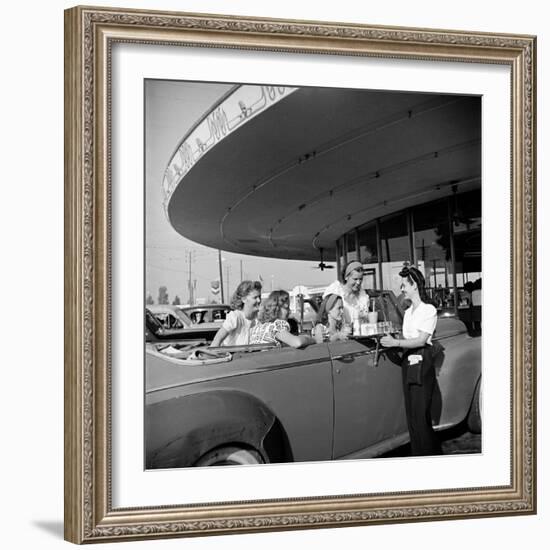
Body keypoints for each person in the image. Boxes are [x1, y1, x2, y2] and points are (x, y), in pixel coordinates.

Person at [380, 265, 442, 456]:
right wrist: (391, 337)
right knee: (412, 416)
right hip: (408, 363)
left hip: (422, 363)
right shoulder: (408, 312)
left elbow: (422, 340)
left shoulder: (428, 310)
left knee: (421, 416)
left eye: (404, 285)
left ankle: (429, 457)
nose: (402, 289)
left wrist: (395, 342)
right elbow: (407, 338)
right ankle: (419, 455)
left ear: (414, 285)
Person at [250, 290, 315, 348]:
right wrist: (312, 339)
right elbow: (297, 343)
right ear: (276, 308)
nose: (289, 311)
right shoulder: (278, 324)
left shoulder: (258, 326)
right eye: (286, 308)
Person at [210, 280, 262, 347]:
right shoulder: (235, 317)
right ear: (244, 299)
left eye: (259, 297)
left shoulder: (259, 320)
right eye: (255, 297)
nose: (259, 300)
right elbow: (218, 339)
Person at [323, 260, 370, 326]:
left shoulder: (363, 297)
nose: (358, 282)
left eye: (360, 279)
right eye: (355, 279)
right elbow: (324, 316)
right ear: (346, 277)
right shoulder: (335, 291)